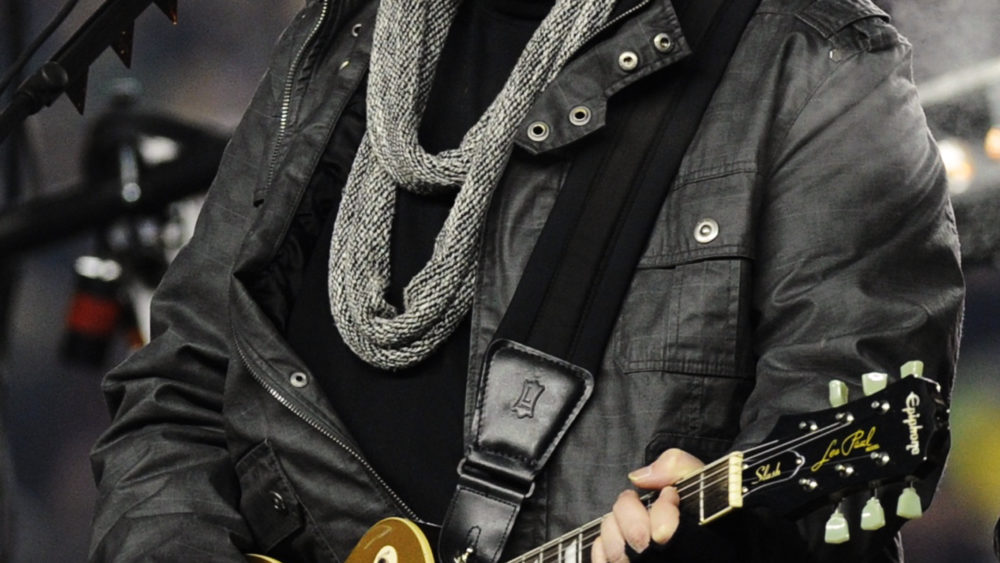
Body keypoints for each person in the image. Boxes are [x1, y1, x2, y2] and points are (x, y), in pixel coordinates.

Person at [88, 0, 964, 561]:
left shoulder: (819, 65)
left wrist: (723, 548)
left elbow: (828, 489)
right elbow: (181, 394)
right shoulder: (344, 35)